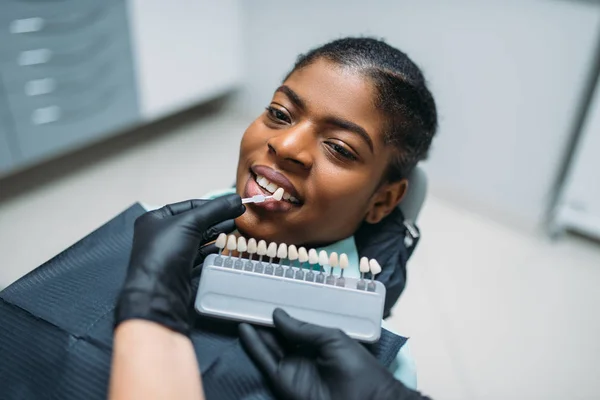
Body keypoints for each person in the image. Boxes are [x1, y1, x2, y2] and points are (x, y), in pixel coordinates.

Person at [110, 195, 432, 400]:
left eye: (339, 147)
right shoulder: (154, 232)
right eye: (279, 114)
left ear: (381, 201)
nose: (288, 144)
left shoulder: (393, 367)